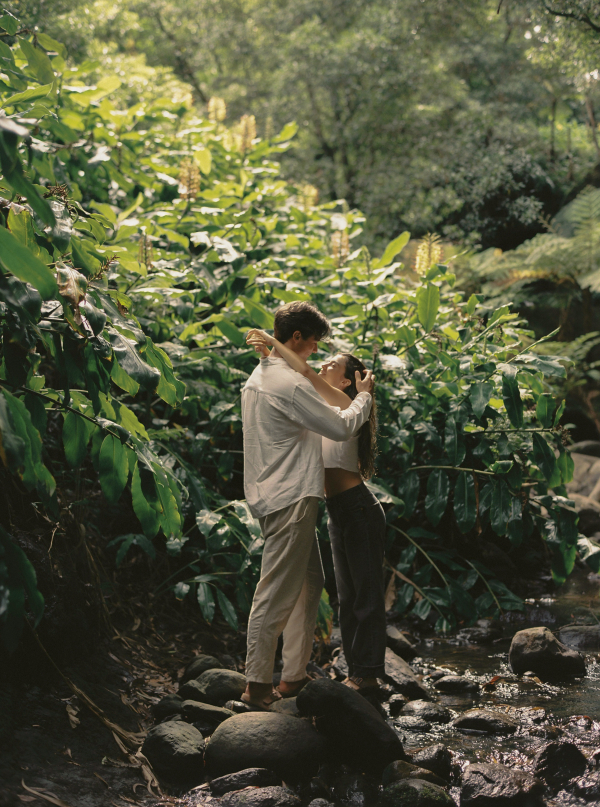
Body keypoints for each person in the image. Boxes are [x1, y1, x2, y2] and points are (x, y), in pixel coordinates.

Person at [241, 301, 374, 710]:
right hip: (291, 497)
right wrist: (364, 398)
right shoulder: (289, 384)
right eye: (314, 343)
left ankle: (294, 675)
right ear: (295, 338)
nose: (316, 351)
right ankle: (257, 684)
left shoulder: (260, 376)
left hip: (272, 492)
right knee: (277, 591)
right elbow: (342, 424)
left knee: (308, 584)